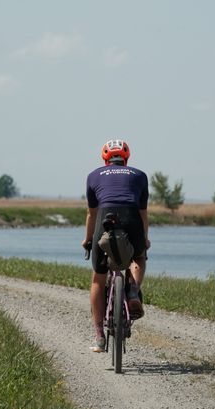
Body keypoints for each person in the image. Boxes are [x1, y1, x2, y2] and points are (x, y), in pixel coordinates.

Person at [82, 139, 150, 353]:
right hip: (131, 219)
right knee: (138, 256)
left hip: (104, 219)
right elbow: (143, 213)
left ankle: (99, 336)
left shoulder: (93, 175)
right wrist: (144, 240)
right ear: (126, 158)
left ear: (105, 158)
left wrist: (87, 240)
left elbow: (92, 213)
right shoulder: (140, 175)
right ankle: (132, 291)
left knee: (97, 279)